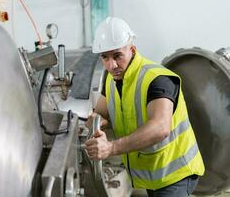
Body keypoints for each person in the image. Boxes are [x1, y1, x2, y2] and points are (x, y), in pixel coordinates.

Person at [85, 17, 205, 197]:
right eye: (105, 57)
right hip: (152, 175)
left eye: (117, 55)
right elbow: (101, 113)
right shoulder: (112, 80)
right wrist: (96, 124)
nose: (112, 65)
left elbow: (160, 128)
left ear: (132, 50)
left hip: (176, 174)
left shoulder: (157, 79)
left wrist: (110, 148)